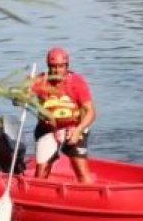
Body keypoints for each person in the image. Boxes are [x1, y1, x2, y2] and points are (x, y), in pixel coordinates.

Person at [30, 47, 96, 183]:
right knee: (41, 173)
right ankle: (40, 197)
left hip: (74, 127)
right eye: (53, 67)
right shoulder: (39, 81)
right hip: (47, 129)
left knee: (81, 169)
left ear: (66, 66)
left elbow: (91, 112)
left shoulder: (77, 82)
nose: (56, 70)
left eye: (60, 66)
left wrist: (78, 131)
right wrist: (21, 95)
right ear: (48, 67)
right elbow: (18, 99)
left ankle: (89, 198)